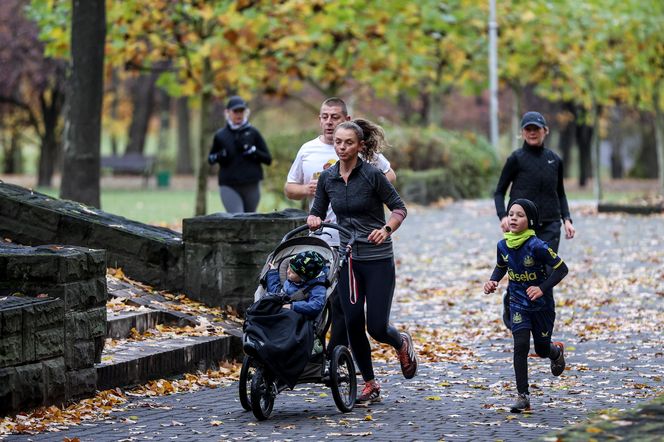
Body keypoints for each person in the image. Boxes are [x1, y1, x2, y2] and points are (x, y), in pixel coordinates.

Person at [307, 121, 417, 405]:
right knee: (353, 322)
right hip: (348, 259)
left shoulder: (372, 175)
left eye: (348, 143)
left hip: (377, 259)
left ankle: (400, 342)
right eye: (338, 142)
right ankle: (370, 382)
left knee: (377, 327)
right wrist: (314, 219)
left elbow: (399, 208)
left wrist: (387, 229)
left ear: (359, 146)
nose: (342, 147)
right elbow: (317, 211)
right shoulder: (327, 178)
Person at [284, 97, 396, 361]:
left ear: (346, 119)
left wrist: (363, 189)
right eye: (324, 116)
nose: (329, 122)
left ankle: (336, 358)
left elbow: (390, 178)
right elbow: (289, 188)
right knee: (324, 298)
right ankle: (327, 356)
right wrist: (308, 190)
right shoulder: (308, 150)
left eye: (334, 117)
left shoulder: (362, 153)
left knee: (344, 306)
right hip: (323, 237)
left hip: (355, 239)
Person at [483, 198, 568, 413]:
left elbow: (562, 269)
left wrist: (542, 288)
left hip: (542, 306)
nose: (513, 218)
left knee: (540, 348)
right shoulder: (503, 245)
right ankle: (523, 396)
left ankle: (555, 352)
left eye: (519, 215)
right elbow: (501, 265)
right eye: (511, 214)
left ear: (529, 221)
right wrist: (493, 280)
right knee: (520, 345)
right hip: (518, 303)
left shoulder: (537, 246)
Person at [494, 111, 576, 328]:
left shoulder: (554, 160)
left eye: (536, 129)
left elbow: (561, 193)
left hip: (549, 225)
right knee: (520, 271)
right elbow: (499, 191)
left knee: (546, 272)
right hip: (520, 228)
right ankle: (512, 307)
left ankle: (541, 320)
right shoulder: (516, 159)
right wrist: (503, 216)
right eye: (528, 129)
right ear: (522, 133)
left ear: (545, 131)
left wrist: (567, 219)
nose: (532, 133)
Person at [208, 96, 272, 213]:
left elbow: (268, 159)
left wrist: (253, 151)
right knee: (237, 218)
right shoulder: (220, 135)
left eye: (241, 111)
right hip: (229, 185)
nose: (238, 114)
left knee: (250, 219)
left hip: (251, 184)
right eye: (235, 111)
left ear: (245, 112)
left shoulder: (253, 132)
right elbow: (211, 159)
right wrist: (220, 156)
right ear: (227, 112)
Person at [265, 250, 327, 318]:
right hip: (282, 299)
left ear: (303, 278)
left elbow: (317, 305)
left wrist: (293, 306)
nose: (287, 272)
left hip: (294, 313)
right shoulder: (293, 279)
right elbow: (276, 292)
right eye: (288, 267)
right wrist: (273, 273)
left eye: (292, 272)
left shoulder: (317, 287)